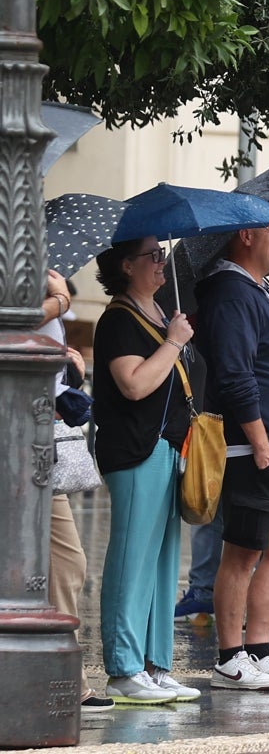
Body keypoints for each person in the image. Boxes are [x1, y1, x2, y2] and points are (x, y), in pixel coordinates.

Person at [193, 224, 269, 691]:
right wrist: (259, 438)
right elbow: (234, 372)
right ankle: (230, 658)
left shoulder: (260, 289)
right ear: (245, 236)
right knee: (243, 550)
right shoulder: (230, 291)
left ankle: (261, 652)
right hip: (255, 444)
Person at [92, 239, 202, 705]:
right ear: (126, 265)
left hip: (169, 448)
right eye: (153, 256)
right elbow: (134, 384)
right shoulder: (119, 319)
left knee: (161, 562)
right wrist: (174, 341)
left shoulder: (159, 313)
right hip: (136, 450)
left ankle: (156, 665)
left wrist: (173, 334)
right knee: (132, 560)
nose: (162, 261)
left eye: (162, 253)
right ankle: (123, 668)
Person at [38, 270, 114, 712]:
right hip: (21, 445)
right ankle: (64, 676)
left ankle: (65, 673)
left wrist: (70, 370)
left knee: (65, 563)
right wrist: (61, 301)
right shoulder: (42, 292)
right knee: (65, 561)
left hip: (40, 440)